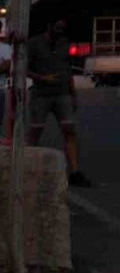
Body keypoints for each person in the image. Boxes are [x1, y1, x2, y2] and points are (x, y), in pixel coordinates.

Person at [27, 18, 92, 187]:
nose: (59, 32)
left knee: (69, 130)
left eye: (62, 29)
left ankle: (75, 172)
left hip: (63, 94)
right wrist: (42, 78)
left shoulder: (64, 43)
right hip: (41, 94)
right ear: (48, 26)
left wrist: (73, 94)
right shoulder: (34, 43)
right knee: (35, 131)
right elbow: (22, 68)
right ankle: (26, 170)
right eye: (57, 28)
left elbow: (68, 70)